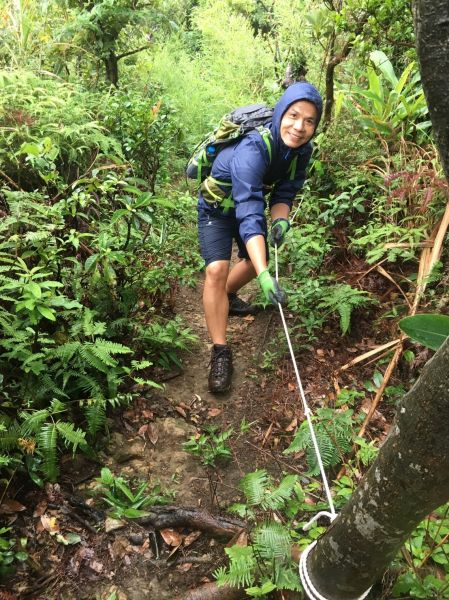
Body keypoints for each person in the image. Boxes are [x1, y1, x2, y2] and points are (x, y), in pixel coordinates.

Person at [197, 81, 323, 394]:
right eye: (294, 116)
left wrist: (280, 221)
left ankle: (223, 298)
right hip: (217, 207)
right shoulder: (253, 147)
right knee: (217, 269)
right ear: (282, 112)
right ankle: (220, 351)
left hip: (245, 208)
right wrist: (266, 273)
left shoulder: (301, 152)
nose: (299, 127)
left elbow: (285, 192)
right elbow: (250, 210)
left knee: (255, 262)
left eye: (309, 121)